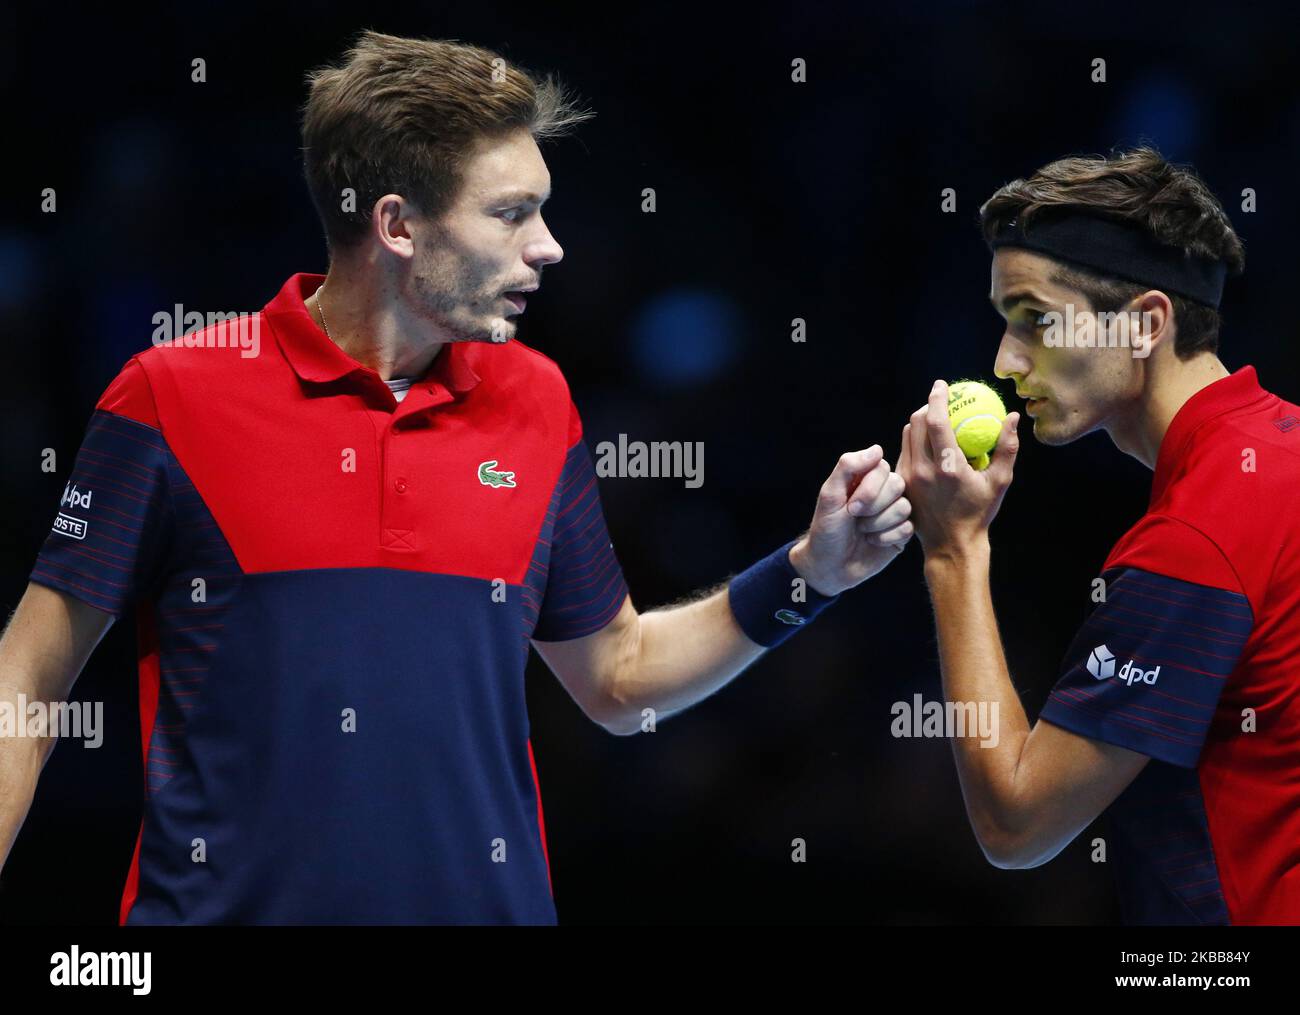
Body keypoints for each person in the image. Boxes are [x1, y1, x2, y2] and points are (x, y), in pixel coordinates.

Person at [0, 31, 912, 925]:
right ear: (397, 224)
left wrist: (807, 577)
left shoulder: (538, 399)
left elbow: (618, 674)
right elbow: (26, 683)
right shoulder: (171, 396)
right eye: (512, 213)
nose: (550, 245)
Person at [896, 146, 1300, 924]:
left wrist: (954, 550)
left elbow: (1017, 823)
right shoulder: (1281, 452)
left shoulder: (1199, 535)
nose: (1005, 362)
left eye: (1036, 320)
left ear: (1147, 322)